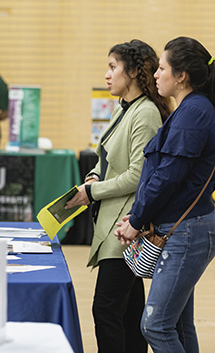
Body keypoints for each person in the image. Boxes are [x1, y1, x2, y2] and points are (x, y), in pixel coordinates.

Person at [65, 40, 173, 353]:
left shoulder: (146, 114)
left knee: (106, 309)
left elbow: (138, 176)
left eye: (113, 67)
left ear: (135, 72)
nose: (107, 75)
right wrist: (95, 175)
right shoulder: (124, 107)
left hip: (125, 226)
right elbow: (106, 156)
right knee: (129, 313)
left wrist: (91, 191)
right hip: (116, 221)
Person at [115, 37, 215, 353]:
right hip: (182, 225)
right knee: (179, 327)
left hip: (188, 230)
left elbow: (169, 175)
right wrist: (142, 216)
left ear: (181, 75)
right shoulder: (190, 109)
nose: (156, 74)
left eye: (162, 68)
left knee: (155, 326)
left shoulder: (195, 112)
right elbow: (166, 175)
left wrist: (139, 218)